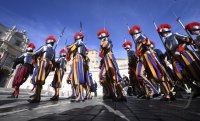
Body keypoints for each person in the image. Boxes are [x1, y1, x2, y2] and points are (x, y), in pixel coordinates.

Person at [129, 25, 174, 101]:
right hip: (141, 58)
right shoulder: (136, 41)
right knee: (139, 74)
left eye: (135, 34)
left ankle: (168, 94)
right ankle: (153, 90)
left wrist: (143, 43)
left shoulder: (142, 37)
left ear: (138, 33)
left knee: (158, 74)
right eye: (133, 35)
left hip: (148, 56)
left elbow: (147, 42)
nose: (134, 36)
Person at [157, 23, 200, 98]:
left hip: (184, 54)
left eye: (162, 33)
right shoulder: (166, 42)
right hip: (175, 58)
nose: (162, 35)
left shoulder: (175, 35)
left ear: (166, 31)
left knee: (194, 70)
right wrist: (166, 58)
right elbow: (169, 51)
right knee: (179, 74)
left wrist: (180, 48)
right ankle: (195, 88)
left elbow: (187, 39)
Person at [98, 29, 126, 101]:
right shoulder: (103, 42)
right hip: (104, 60)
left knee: (114, 75)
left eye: (102, 36)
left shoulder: (107, 41)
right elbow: (101, 54)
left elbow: (107, 46)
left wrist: (103, 41)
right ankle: (111, 92)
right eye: (100, 37)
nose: (101, 37)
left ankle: (120, 94)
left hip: (109, 58)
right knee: (101, 76)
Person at [28, 35, 56, 103]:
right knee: (40, 80)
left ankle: (37, 97)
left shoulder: (44, 47)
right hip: (49, 65)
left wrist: (35, 59)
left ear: (47, 42)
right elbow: (53, 61)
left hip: (43, 63)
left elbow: (35, 54)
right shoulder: (53, 51)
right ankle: (37, 95)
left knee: (38, 80)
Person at [66, 32, 87, 102]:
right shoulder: (81, 43)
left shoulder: (79, 43)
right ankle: (79, 95)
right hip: (77, 59)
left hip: (78, 59)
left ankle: (81, 96)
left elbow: (70, 48)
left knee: (79, 77)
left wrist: (68, 48)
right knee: (76, 77)